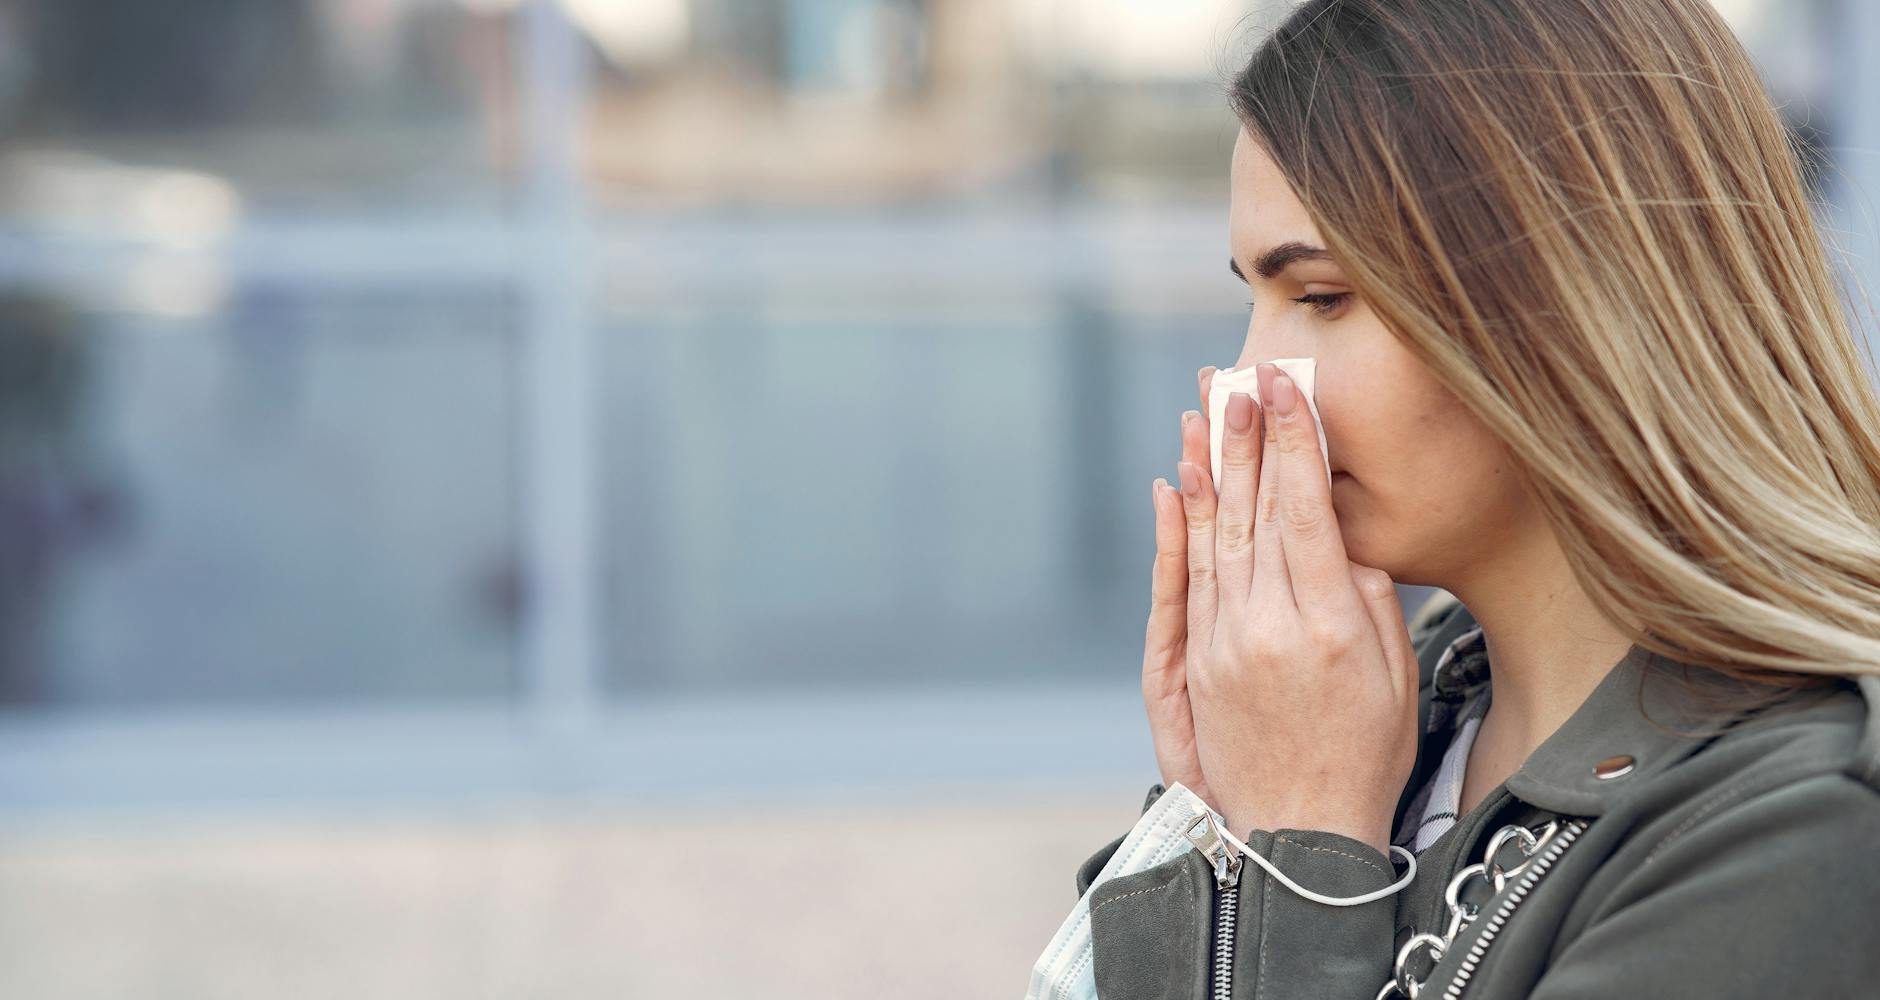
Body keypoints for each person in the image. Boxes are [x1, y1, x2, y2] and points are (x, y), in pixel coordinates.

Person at [1076, 0, 1880, 996]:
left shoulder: (1803, 826)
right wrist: (1215, 820)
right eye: (1252, 298)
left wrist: (1303, 845)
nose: (1243, 384)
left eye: (1320, 297)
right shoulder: (1378, 719)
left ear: (1570, 302)